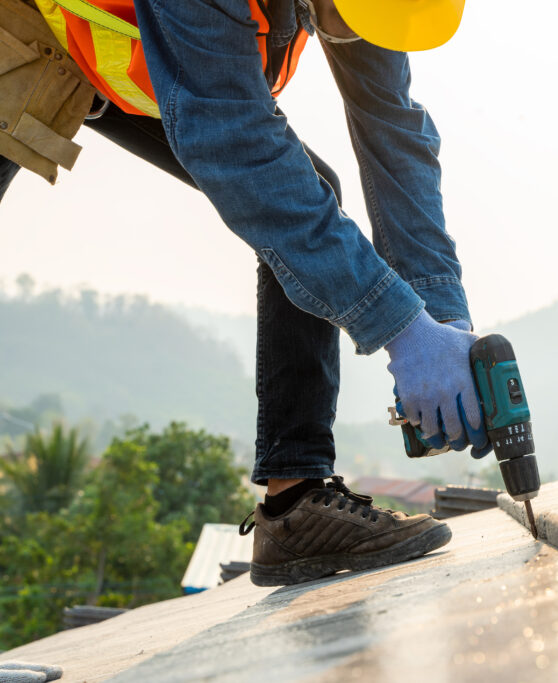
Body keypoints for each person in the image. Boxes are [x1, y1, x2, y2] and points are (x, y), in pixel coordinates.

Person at [0, 0, 489, 587]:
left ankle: (295, 507)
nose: (354, 39)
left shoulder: (372, 5)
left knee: (306, 192)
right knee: (282, 192)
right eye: (344, 20)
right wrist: (401, 330)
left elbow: (394, 130)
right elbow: (240, 146)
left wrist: (443, 316)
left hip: (120, 47)